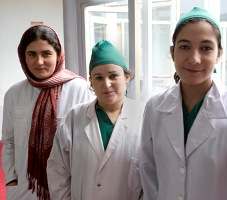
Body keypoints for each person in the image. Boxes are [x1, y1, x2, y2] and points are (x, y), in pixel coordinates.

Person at [140, 7, 227, 200]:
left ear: (219, 54)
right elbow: (148, 171)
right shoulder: (155, 107)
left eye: (206, 48)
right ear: (172, 52)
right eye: (185, 47)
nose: (194, 59)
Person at [1, 25, 94, 200]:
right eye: (32, 54)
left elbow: (87, 145)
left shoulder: (79, 89)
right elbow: (9, 141)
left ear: (58, 55)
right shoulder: (14, 94)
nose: (39, 62)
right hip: (25, 187)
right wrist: (11, 180)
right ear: (23, 57)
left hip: (67, 186)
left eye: (46, 54)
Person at [47, 40, 145, 200]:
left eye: (113, 76)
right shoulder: (73, 118)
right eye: (98, 78)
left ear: (126, 77)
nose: (106, 84)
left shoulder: (145, 116)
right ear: (91, 80)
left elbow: (153, 175)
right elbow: (57, 171)